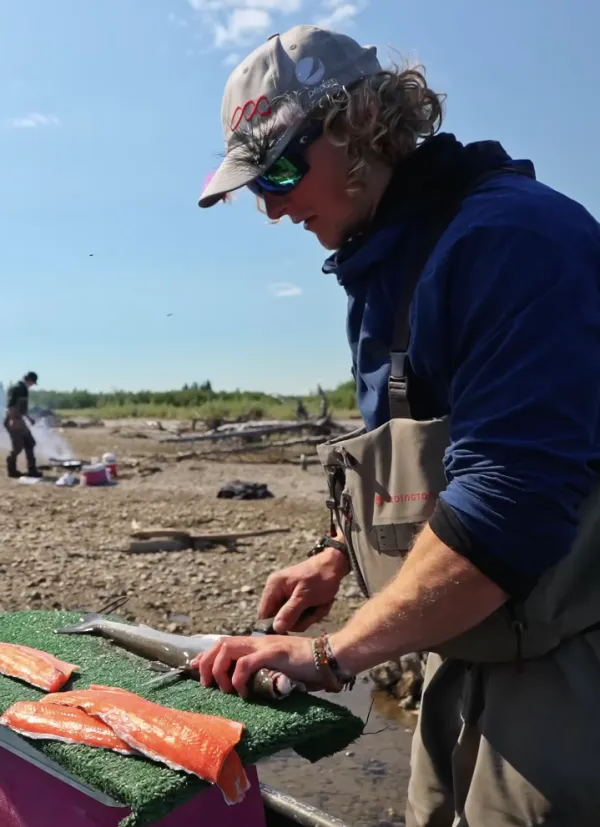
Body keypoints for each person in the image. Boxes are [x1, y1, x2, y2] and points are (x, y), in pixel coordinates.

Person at [191, 26, 600, 826]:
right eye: (255, 185)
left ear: (363, 123)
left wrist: (331, 653)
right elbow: (426, 468)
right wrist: (338, 554)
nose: (272, 206)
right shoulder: (385, 264)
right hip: (459, 644)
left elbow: (507, 508)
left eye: (279, 170)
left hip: (566, 664)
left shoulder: (511, 243)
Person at [4, 371, 41, 478]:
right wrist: (12, 420)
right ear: (30, 380)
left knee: (30, 442)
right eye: (33, 382)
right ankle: (11, 470)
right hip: (13, 419)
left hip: (18, 419)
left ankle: (32, 470)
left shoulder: (23, 389)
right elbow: (10, 405)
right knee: (18, 447)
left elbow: (22, 408)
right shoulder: (17, 388)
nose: (32, 385)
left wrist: (29, 419)